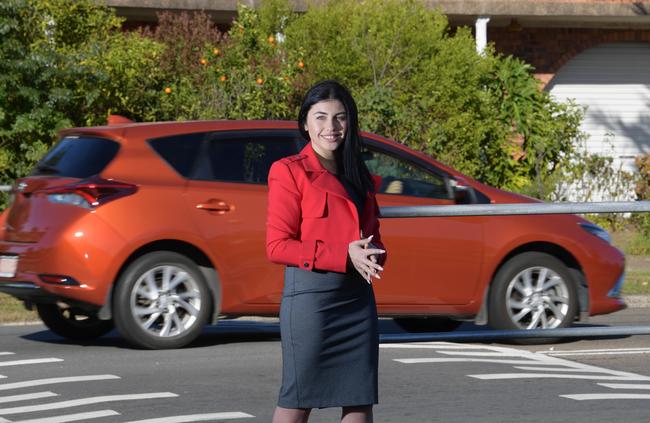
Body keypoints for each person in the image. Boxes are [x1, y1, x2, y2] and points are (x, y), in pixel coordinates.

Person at [266, 80, 387, 423]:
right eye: (320, 118)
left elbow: (372, 234)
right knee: (298, 399)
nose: (330, 128)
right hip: (312, 301)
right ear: (305, 123)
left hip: (357, 299)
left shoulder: (357, 171)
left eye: (340, 118)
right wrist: (343, 254)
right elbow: (277, 246)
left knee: (359, 400)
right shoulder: (289, 171)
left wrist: (374, 253)